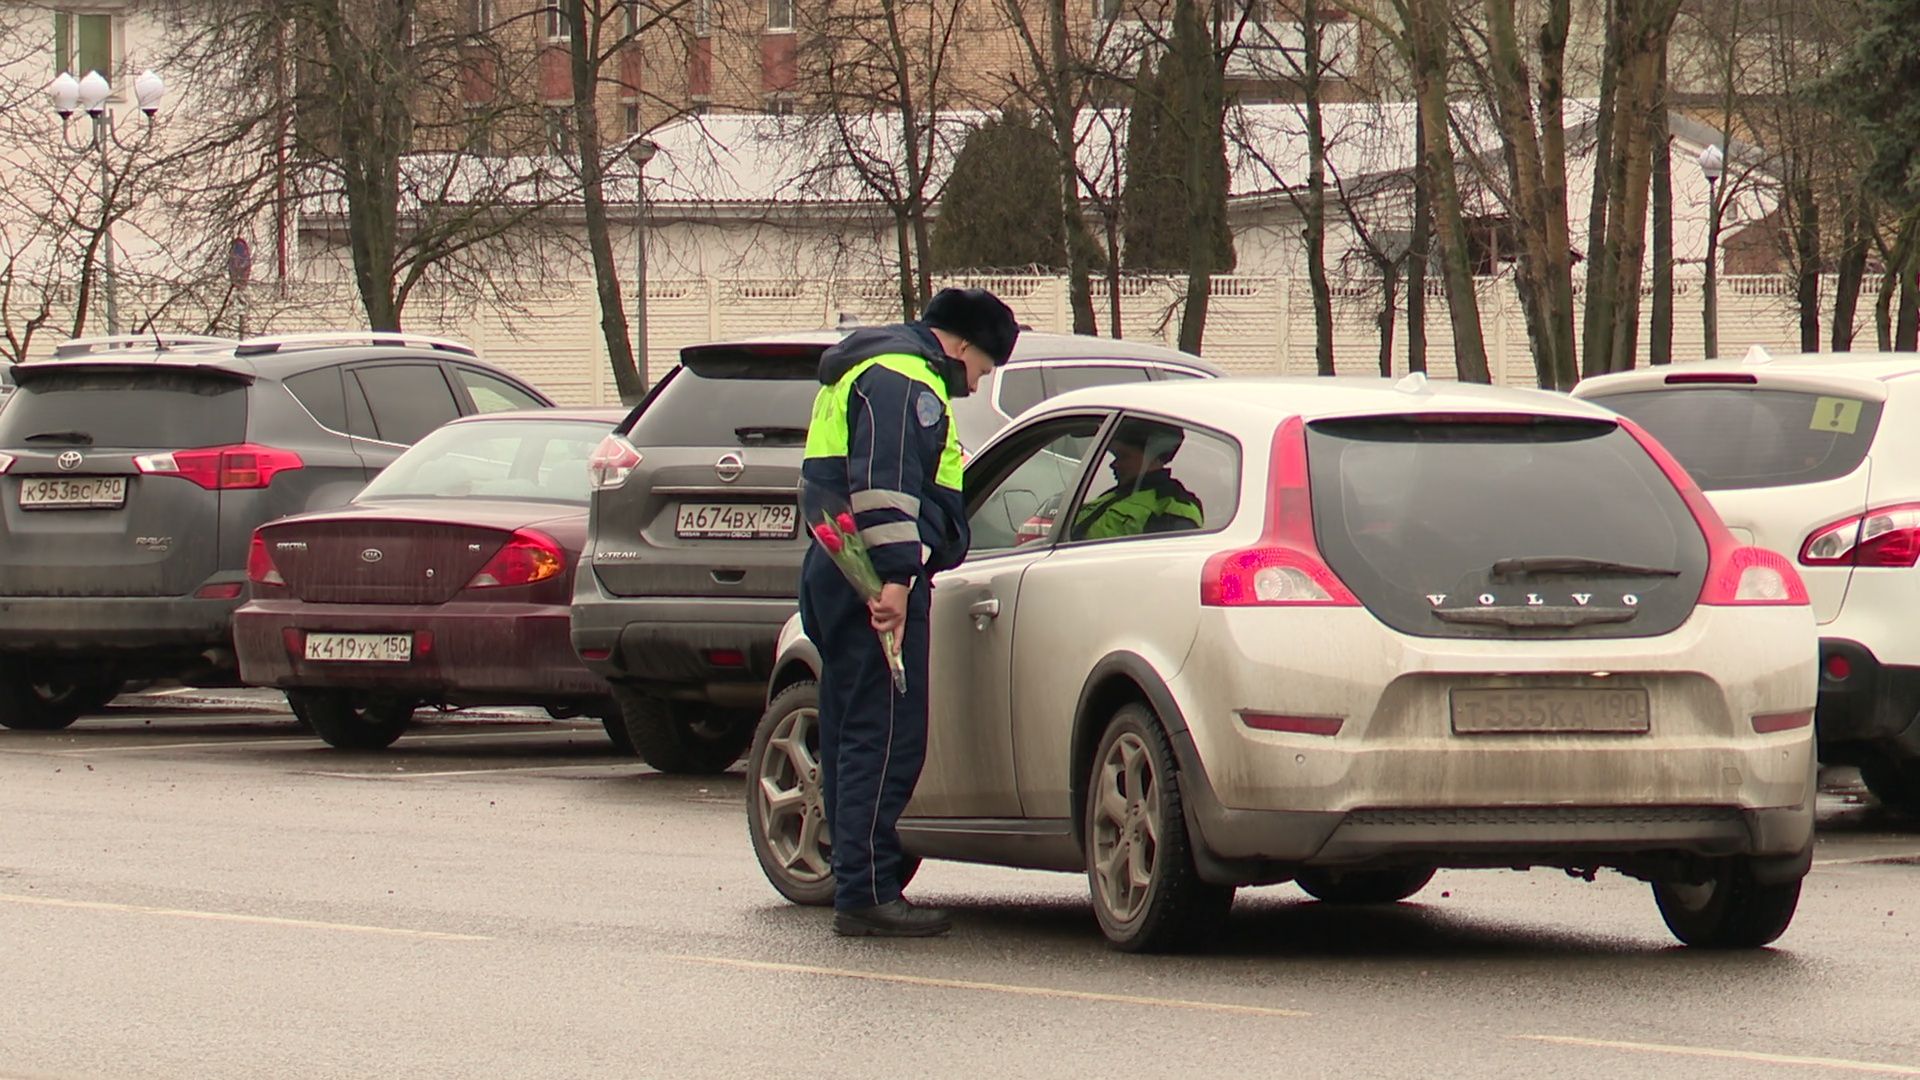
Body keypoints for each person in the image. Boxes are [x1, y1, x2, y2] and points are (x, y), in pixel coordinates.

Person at [798, 287, 1019, 937]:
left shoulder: (865, 369)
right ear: (959, 345)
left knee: (850, 726)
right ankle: (867, 892)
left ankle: (855, 879)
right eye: (982, 368)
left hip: (835, 567)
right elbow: (886, 483)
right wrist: (896, 579)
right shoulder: (908, 380)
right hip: (872, 574)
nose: (977, 385)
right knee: (885, 732)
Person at [1069, 418, 1204, 541]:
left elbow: (1168, 562)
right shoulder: (1112, 496)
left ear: (1154, 455)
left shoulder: (1172, 506)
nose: (1113, 464)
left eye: (1123, 456)